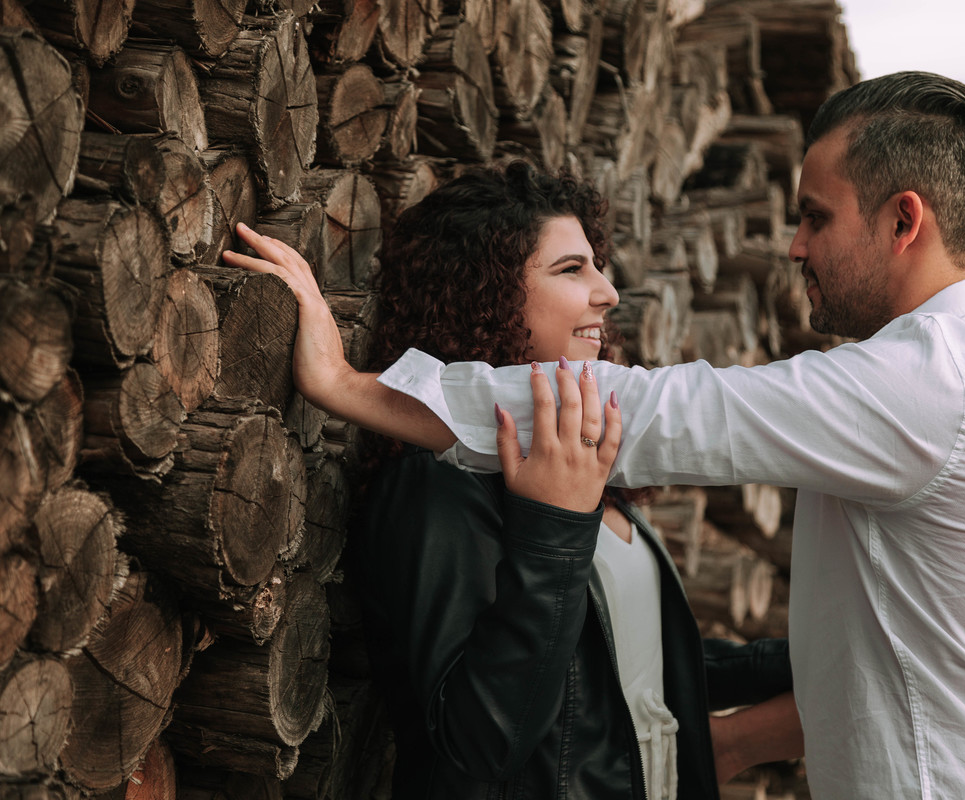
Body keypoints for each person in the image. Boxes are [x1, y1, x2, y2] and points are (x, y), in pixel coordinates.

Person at [232, 71, 965, 798]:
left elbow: (662, 411)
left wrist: (348, 385)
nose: (795, 246)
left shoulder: (934, 385)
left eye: (816, 216)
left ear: (903, 221)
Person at [225, 162, 797, 799]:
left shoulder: (577, 468)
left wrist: (799, 661)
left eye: (598, 266)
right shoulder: (434, 488)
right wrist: (555, 530)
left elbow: (622, 658)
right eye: (572, 269)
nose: (608, 292)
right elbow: (483, 740)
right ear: (487, 294)